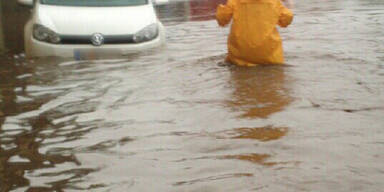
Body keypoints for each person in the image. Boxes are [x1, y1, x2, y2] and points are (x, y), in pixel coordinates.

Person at [216, 0, 294, 66]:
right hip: (269, 52)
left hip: (240, 51)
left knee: (238, 74)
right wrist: (289, 7)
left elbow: (222, 20)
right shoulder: (274, 1)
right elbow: (286, 21)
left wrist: (223, 7)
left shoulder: (236, 1)